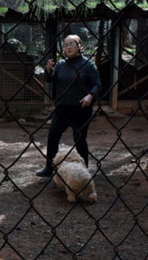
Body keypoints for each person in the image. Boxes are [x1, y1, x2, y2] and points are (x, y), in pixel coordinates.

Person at [36, 34, 101, 177]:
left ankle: (84, 169)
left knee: (79, 138)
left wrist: (90, 96)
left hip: (81, 109)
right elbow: (49, 79)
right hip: (62, 108)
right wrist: (48, 69)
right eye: (66, 45)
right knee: (53, 135)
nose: (68, 47)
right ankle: (49, 167)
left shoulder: (88, 65)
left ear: (80, 46)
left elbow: (97, 85)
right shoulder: (60, 65)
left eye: (72, 44)